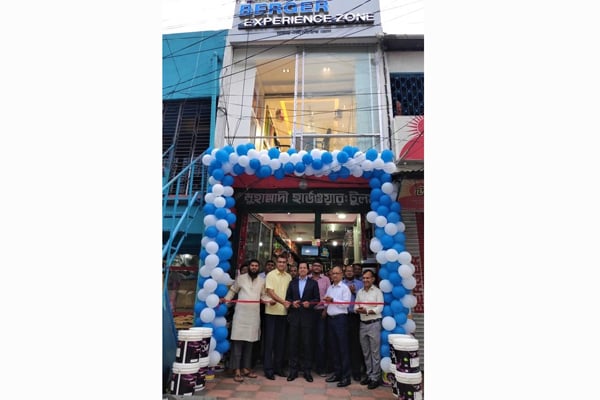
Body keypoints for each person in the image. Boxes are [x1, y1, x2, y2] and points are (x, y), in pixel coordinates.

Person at [222, 259, 268, 383]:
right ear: (249, 267)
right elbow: (232, 291)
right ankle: (236, 370)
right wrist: (225, 301)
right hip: (240, 316)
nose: (254, 267)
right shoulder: (240, 279)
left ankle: (246, 369)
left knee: (250, 343)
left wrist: (270, 301)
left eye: (256, 266)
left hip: (253, 317)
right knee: (237, 344)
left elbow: (263, 295)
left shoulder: (262, 281)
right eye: (252, 265)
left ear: (259, 268)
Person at [284, 260, 320, 382]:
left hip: (307, 318)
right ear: (298, 270)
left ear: (308, 270)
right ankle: (293, 371)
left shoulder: (313, 283)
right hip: (294, 318)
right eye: (301, 268)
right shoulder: (292, 282)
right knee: (293, 344)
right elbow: (288, 298)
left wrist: (309, 303)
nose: (302, 270)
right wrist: (292, 303)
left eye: (304, 268)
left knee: (307, 345)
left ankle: (307, 371)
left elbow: (317, 299)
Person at [263, 254, 292, 380]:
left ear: (286, 264)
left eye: (284, 262)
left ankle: (278, 368)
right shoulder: (270, 275)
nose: (281, 264)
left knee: (280, 343)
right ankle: (268, 369)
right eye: (279, 262)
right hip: (271, 313)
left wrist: (289, 303)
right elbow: (270, 292)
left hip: (284, 313)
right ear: (276, 263)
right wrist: (283, 302)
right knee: (269, 343)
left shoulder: (289, 276)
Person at [355, 269, 384, 389]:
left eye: (368, 278)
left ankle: (375, 378)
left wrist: (366, 311)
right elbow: (356, 306)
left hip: (374, 324)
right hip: (363, 324)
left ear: (373, 279)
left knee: (375, 352)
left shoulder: (377, 292)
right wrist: (358, 309)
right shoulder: (360, 292)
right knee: (366, 352)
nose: (365, 280)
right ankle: (369, 374)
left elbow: (379, 308)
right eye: (364, 278)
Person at [323, 265, 352, 387]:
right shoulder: (330, 287)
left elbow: (346, 304)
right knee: (334, 348)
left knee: (343, 348)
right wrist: (326, 301)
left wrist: (333, 300)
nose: (334, 275)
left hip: (341, 320)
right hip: (331, 319)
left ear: (341, 275)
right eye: (332, 273)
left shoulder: (345, 288)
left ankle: (346, 377)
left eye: (337, 273)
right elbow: (326, 302)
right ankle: (337, 373)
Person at [342, 264, 365, 381]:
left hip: (356, 316)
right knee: (343, 344)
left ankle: (356, 371)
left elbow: (364, 300)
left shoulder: (360, 284)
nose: (349, 272)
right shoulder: (341, 284)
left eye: (351, 271)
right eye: (347, 271)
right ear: (344, 272)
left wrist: (354, 291)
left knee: (355, 344)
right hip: (343, 316)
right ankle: (344, 370)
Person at [309, 259, 330, 377]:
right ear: (311, 267)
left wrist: (326, 309)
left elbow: (329, 295)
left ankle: (321, 367)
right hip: (308, 312)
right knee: (308, 339)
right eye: (314, 265)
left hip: (321, 312)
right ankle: (307, 366)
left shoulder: (326, 279)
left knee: (321, 340)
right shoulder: (307, 278)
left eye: (318, 266)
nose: (316, 267)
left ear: (321, 268)